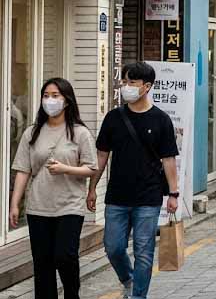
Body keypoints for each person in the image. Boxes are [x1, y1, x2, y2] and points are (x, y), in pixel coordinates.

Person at [89, 62, 180, 299]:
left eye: (132, 82)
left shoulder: (161, 120)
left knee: (144, 252)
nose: (126, 87)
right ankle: (128, 279)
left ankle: (138, 296)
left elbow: (168, 159)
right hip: (117, 196)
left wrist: (173, 194)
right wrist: (92, 189)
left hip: (148, 198)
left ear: (147, 86)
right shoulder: (113, 118)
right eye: (124, 81)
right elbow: (101, 155)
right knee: (114, 247)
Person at [9, 78, 96, 299]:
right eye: (46, 95)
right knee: (42, 262)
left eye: (55, 95)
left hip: (69, 205)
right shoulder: (32, 132)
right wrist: (14, 204)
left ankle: (71, 294)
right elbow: (22, 170)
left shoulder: (80, 133)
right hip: (39, 206)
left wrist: (66, 169)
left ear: (67, 100)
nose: (50, 100)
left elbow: (91, 168)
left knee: (65, 256)